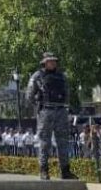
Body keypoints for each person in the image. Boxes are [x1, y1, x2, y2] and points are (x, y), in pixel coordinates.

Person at [26, 52, 78, 180]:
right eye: (50, 61)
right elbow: (29, 95)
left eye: (54, 61)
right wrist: (39, 107)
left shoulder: (61, 76)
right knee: (44, 143)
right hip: (46, 111)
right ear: (44, 63)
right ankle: (44, 170)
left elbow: (67, 92)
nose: (53, 63)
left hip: (61, 111)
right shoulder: (37, 76)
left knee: (63, 142)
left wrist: (66, 106)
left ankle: (65, 171)